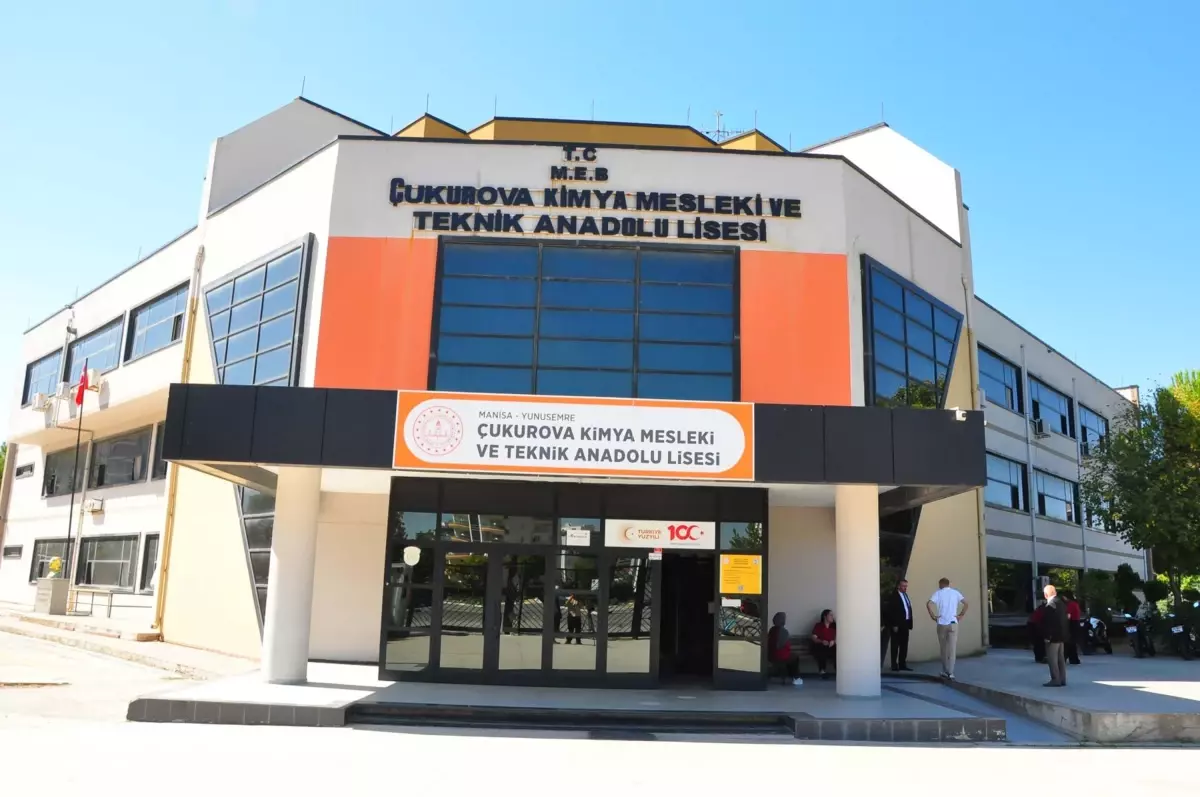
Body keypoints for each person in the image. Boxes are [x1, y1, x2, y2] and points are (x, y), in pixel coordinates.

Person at [927, 577, 968, 680]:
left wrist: (933, 616)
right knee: (952, 648)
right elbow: (966, 603)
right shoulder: (955, 593)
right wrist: (960, 615)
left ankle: (945, 670)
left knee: (943, 648)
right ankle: (951, 672)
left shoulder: (938, 593)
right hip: (953, 622)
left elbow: (929, 604)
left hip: (942, 622)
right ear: (948, 584)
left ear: (941, 584)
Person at [882, 578, 915, 671]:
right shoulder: (894, 597)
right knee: (895, 645)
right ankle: (894, 665)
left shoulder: (905, 595)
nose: (905, 588)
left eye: (906, 586)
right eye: (903, 586)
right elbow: (890, 611)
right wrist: (894, 624)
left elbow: (907, 608)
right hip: (897, 625)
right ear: (898, 586)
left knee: (904, 645)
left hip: (905, 623)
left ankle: (902, 664)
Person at [1040, 584, 1069, 687]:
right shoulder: (1062, 604)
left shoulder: (1050, 605)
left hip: (1053, 637)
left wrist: (1047, 636)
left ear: (1045, 595)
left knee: (1052, 659)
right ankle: (1062, 679)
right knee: (1061, 659)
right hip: (1062, 635)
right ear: (1055, 592)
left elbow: (1049, 623)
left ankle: (1055, 679)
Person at [767, 612, 803, 686]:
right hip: (780, 655)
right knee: (794, 658)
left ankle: (790, 675)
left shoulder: (772, 629)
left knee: (792, 657)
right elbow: (779, 645)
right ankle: (796, 678)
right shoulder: (783, 631)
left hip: (771, 654)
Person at [811, 609, 837, 679]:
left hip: (831, 646)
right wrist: (822, 641)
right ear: (825, 616)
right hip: (821, 645)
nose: (832, 617)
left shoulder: (834, 626)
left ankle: (838, 671)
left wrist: (833, 641)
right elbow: (814, 638)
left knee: (837, 651)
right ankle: (822, 671)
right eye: (830, 615)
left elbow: (838, 637)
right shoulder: (819, 625)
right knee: (821, 649)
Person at [1064, 591, 1082, 665]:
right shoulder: (1075, 604)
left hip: (1072, 624)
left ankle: (1068, 657)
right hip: (1076, 623)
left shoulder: (1071, 604)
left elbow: (1068, 616)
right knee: (1072, 642)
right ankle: (1073, 658)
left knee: (1069, 642)